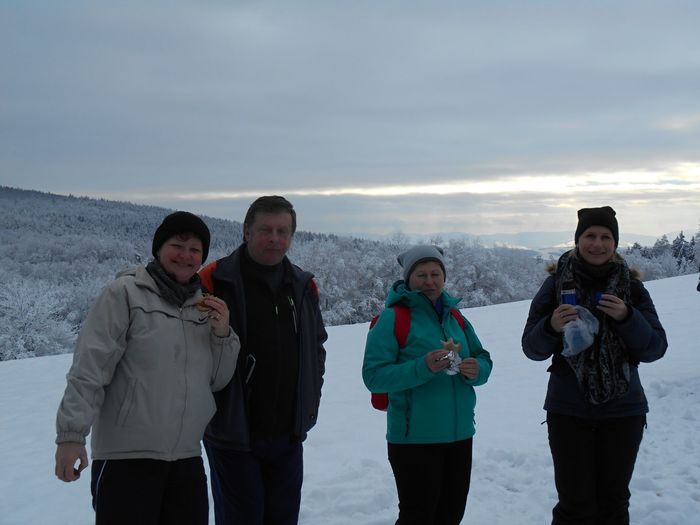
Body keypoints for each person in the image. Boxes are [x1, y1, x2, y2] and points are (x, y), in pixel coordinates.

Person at [54, 211, 240, 525]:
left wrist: (222, 335)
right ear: (158, 248)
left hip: (186, 459)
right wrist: (71, 435)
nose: (185, 255)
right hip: (126, 458)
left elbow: (216, 381)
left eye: (195, 249)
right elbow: (90, 368)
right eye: (177, 245)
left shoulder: (203, 309)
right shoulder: (123, 295)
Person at [522, 206, 667, 525]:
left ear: (615, 243)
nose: (597, 244)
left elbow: (655, 348)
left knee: (613, 504)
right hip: (568, 411)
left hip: (623, 412)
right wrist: (551, 326)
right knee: (575, 505)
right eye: (590, 235)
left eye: (605, 237)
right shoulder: (555, 285)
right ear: (578, 240)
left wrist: (628, 317)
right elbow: (531, 348)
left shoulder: (632, 287)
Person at [199, 195, 328, 525]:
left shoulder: (303, 285)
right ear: (246, 232)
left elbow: (316, 347)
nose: (274, 238)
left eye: (282, 231)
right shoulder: (214, 280)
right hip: (233, 434)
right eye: (265, 230)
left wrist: (309, 401)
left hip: (287, 434)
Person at [362, 245, 493, 525]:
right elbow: (373, 376)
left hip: (460, 436)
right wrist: (422, 367)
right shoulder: (393, 318)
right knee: (418, 517)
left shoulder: (456, 317)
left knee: (451, 515)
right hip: (414, 439)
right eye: (421, 275)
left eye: (436, 274)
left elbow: (483, 358)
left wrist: (477, 370)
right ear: (408, 279)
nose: (429, 281)